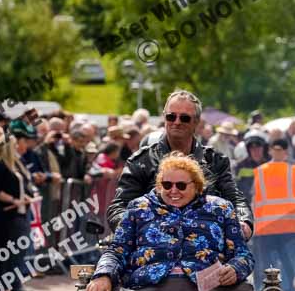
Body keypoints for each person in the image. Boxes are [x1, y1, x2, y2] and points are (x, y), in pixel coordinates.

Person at [86, 152, 253, 291]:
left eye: (181, 185)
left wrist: (235, 269)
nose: (173, 191)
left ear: (196, 186)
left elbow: (242, 254)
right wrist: (103, 275)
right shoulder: (138, 208)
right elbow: (117, 250)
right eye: (167, 185)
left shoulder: (221, 208)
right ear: (159, 185)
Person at [107, 90, 254, 240]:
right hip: (154, 248)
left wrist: (244, 222)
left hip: (208, 248)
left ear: (196, 122)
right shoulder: (141, 161)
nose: (177, 122)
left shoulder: (215, 161)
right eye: (171, 116)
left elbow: (235, 198)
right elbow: (119, 207)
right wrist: (135, 230)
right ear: (164, 118)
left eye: (184, 118)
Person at [251, 138, 295, 291]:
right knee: (285, 261)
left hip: (271, 226)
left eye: (278, 149)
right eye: (276, 149)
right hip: (284, 226)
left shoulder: (261, 171)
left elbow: (254, 198)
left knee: (272, 263)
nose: (277, 152)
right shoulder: (291, 171)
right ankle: (284, 290)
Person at [0, 135, 34, 291]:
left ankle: (13, 284)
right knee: (2, 251)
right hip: (3, 213)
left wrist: (24, 198)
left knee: (14, 252)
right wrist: (14, 200)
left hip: (17, 213)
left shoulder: (13, 164)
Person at [235, 129, 269, 202]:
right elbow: (237, 189)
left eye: (258, 147)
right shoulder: (241, 166)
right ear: (248, 150)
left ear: (264, 148)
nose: (255, 151)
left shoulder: (271, 164)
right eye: (252, 148)